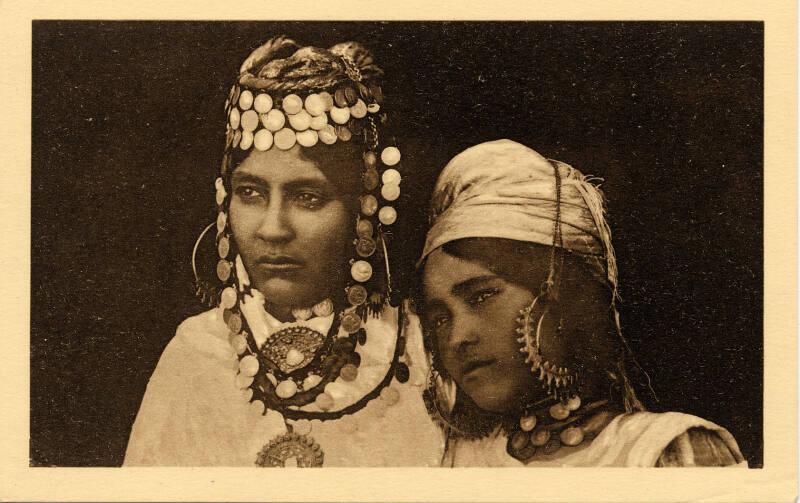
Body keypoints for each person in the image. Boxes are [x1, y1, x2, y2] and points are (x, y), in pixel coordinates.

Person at [124, 36, 442, 466]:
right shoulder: (196, 353)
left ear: (363, 208)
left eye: (308, 197)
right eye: (250, 192)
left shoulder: (420, 355)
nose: (272, 229)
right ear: (225, 200)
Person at [416, 139, 747, 467]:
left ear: (558, 294)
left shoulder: (662, 449)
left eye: (481, 296)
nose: (458, 338)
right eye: (440, 319)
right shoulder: (451, 459)